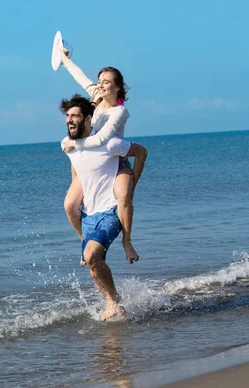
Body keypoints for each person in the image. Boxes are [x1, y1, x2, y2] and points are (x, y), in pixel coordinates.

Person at [60, 94, 148, 320]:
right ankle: (117, 306)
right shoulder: (70, 146)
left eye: (75, 116)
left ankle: (114, 302)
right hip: (89, 214)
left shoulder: (109, 144)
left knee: (91, 256)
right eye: (67, 116)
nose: (70, 120)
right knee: (93, 268)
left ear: (88, 119)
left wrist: (132, 182)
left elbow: (141, 152)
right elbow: (76, 169)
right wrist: (75, 190)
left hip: (110, 211)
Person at [60, 50, 142, 265]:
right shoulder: (96, 98)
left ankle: (127, 241)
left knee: (124, 196)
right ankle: (85, 242)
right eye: (99, 81)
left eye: (106, 82)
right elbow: (80, 77)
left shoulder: (119, 111)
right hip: (89, 161)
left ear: (117, 86)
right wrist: (65, 60)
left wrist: (73, 143)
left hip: (115, 159)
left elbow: (103, 139)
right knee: (70, 205)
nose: (101, 85)